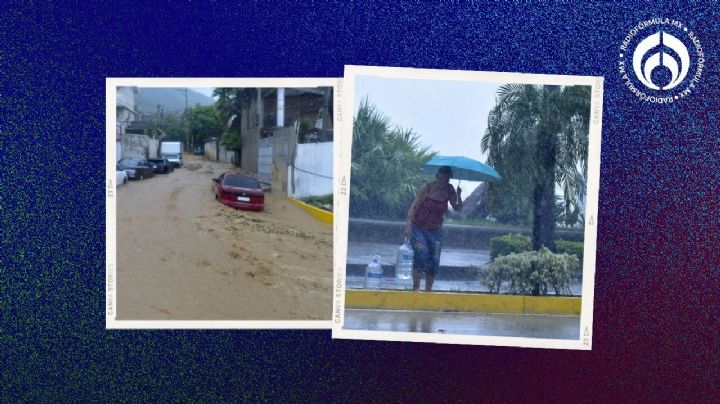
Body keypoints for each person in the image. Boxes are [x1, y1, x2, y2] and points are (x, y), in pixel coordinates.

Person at [403, 166, 463, 291]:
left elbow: (457, 208)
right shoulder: (427, 187)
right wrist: (408, 225)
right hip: (419, 227)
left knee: (434, 258)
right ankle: (416, 288)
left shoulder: (449, 190)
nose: (443, 181)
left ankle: (428, 290)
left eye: (446, 179)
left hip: (435, 230)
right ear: (437, 177)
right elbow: (414, 206)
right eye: (441, 178)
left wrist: (459, 195)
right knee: (421, 253)